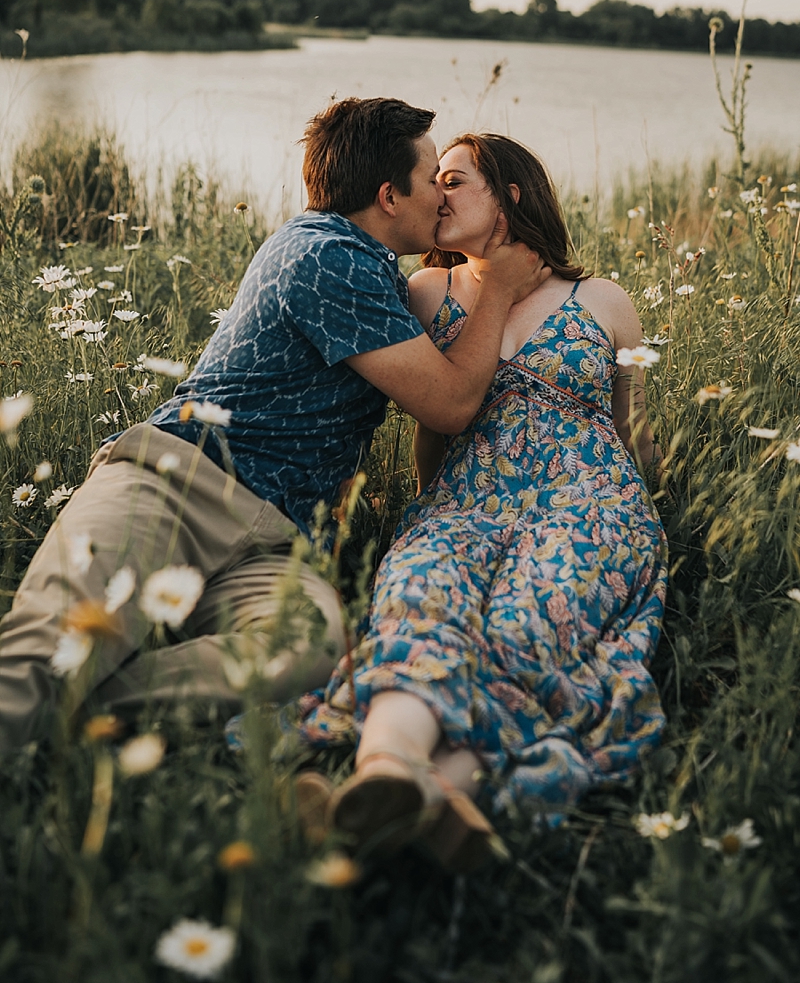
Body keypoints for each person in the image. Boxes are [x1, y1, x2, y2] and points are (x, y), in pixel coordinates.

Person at [0, 101, 548, 757]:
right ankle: (43, 712)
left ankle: (76, 724)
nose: (440, 193)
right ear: (388, 196)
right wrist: (497, 289)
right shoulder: (325, 254)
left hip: (274, 539)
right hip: (173, 485)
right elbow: (452, 406)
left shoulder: (380, 274)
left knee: (308, 652)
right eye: (433, 178)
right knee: (52, 648)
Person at [293, 133, 668, 869]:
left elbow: (637, 438)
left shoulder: (603, 301)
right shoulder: (426, 293)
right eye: (433, 180)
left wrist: (654, 521)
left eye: (456, 179)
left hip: (590, 503)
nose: (438, 192)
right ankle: (393, 775)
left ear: (511, 194)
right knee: (419, 595)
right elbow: (430, 425)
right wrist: (425, 511)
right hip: (464, 502)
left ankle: (419, 794)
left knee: (527, 625)